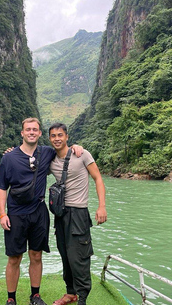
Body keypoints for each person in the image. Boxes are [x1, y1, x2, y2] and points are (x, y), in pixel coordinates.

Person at [0, 118, 82, 305]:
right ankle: (11, 298)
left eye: (35, 129)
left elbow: (62, 149)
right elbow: (2, 187)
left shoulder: (47, 152)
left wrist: (76, 146)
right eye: (28, 129)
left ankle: (35, 295)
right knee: (14, 257)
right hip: (15, 213)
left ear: (40, 133)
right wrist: (3, 214)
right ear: (22, 133)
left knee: (36, 255)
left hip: (39, 212)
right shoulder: (9, 158)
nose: (31, 132)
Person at [47, 123, 107, 305]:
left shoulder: (81, 154)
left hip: (79, 213)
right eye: (53, 136)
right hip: (60, 215)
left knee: (79, 257)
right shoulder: (50, 159)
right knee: (65, 255)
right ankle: (70, 292)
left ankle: (83, 298)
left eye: (60, 135)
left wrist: (101, 206)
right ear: (49, 139)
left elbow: (97, 178)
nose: (57, 138)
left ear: (67, 137)